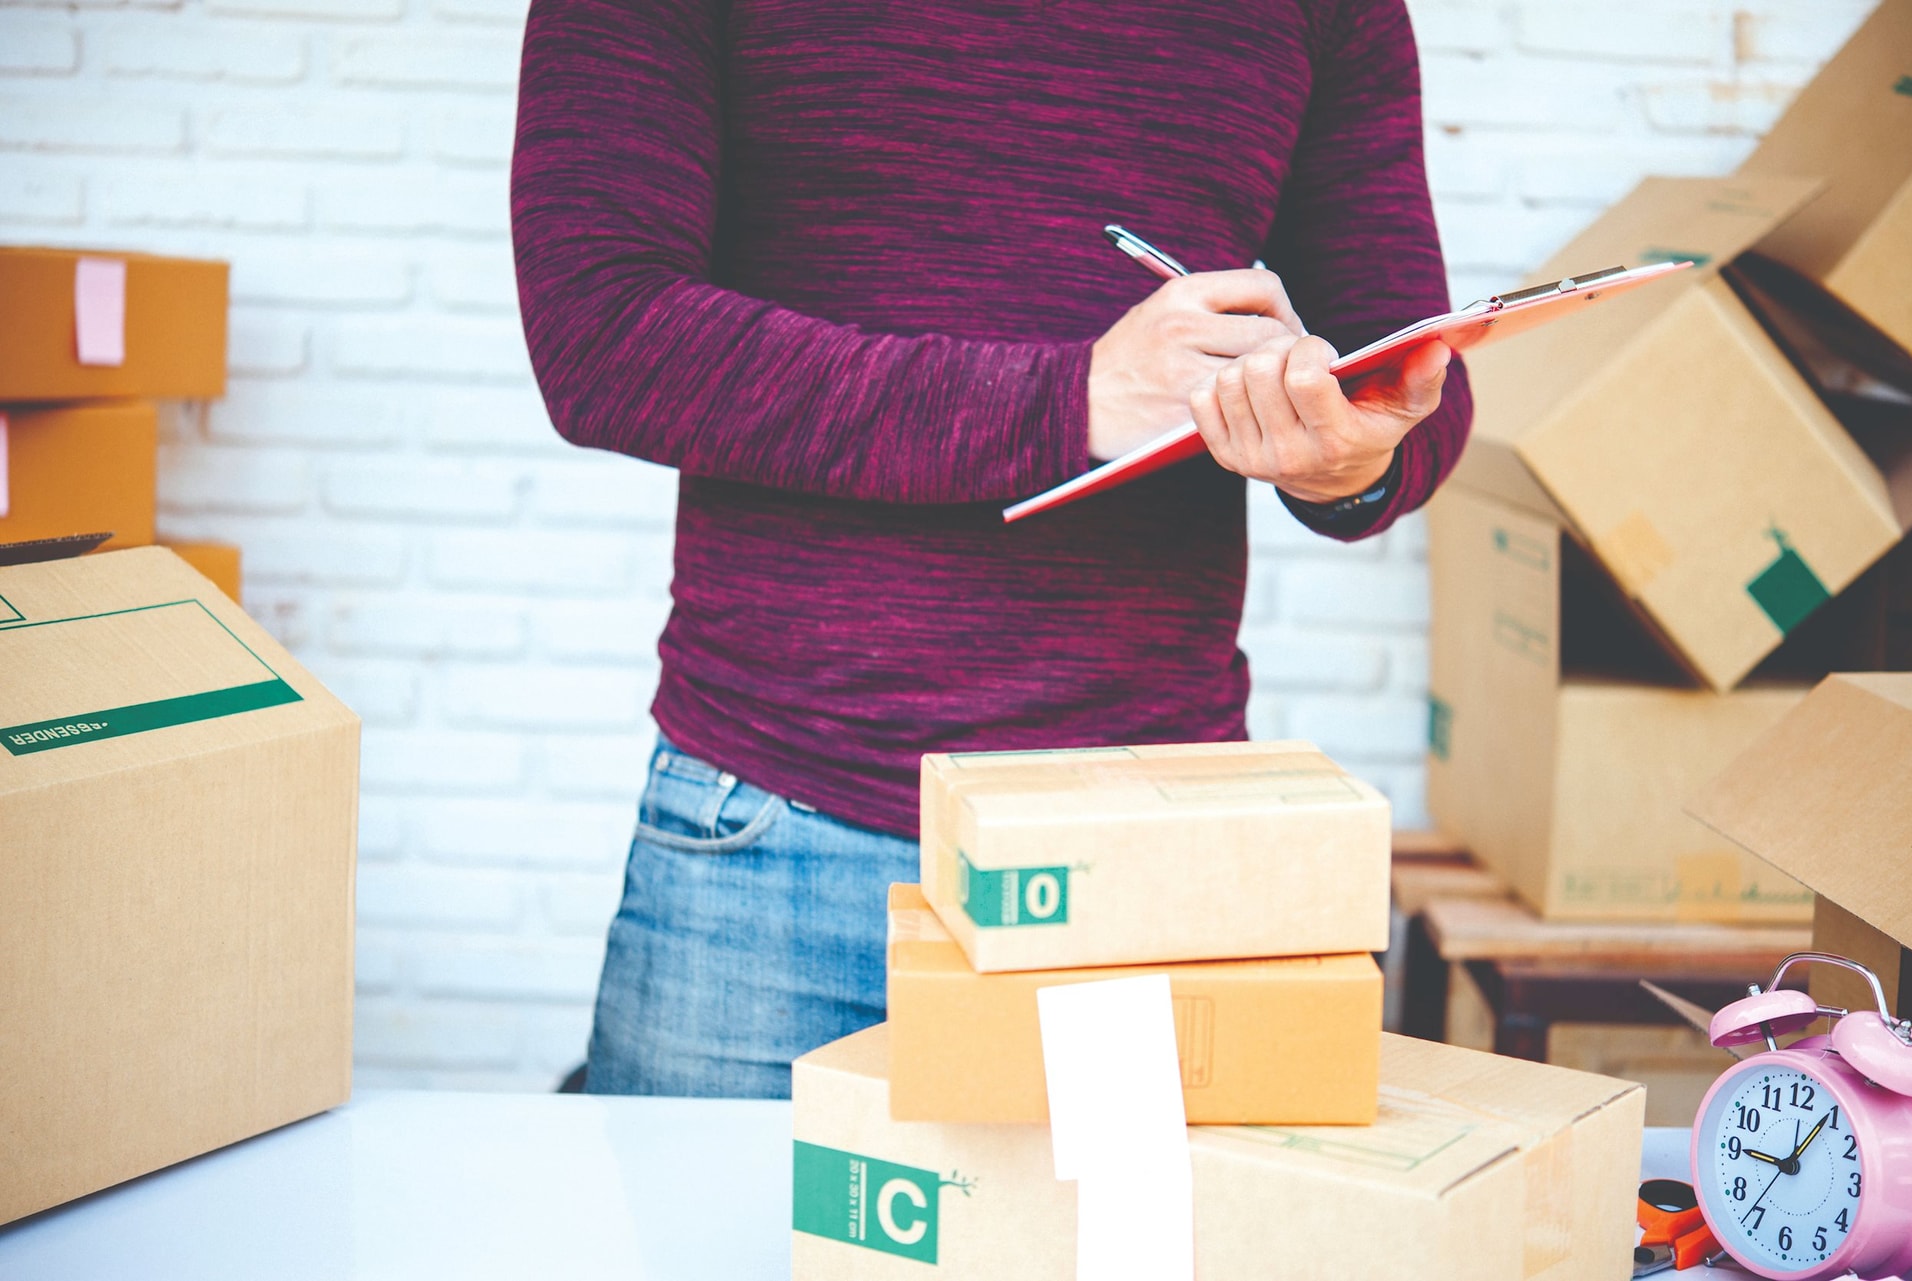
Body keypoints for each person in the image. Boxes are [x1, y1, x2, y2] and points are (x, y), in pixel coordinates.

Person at [511, 0, 1471, 1097]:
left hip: (1150, 844)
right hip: (775, 832)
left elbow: (1413, 375)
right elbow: (602, 330)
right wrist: (1068, 401)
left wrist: (1344, 456)